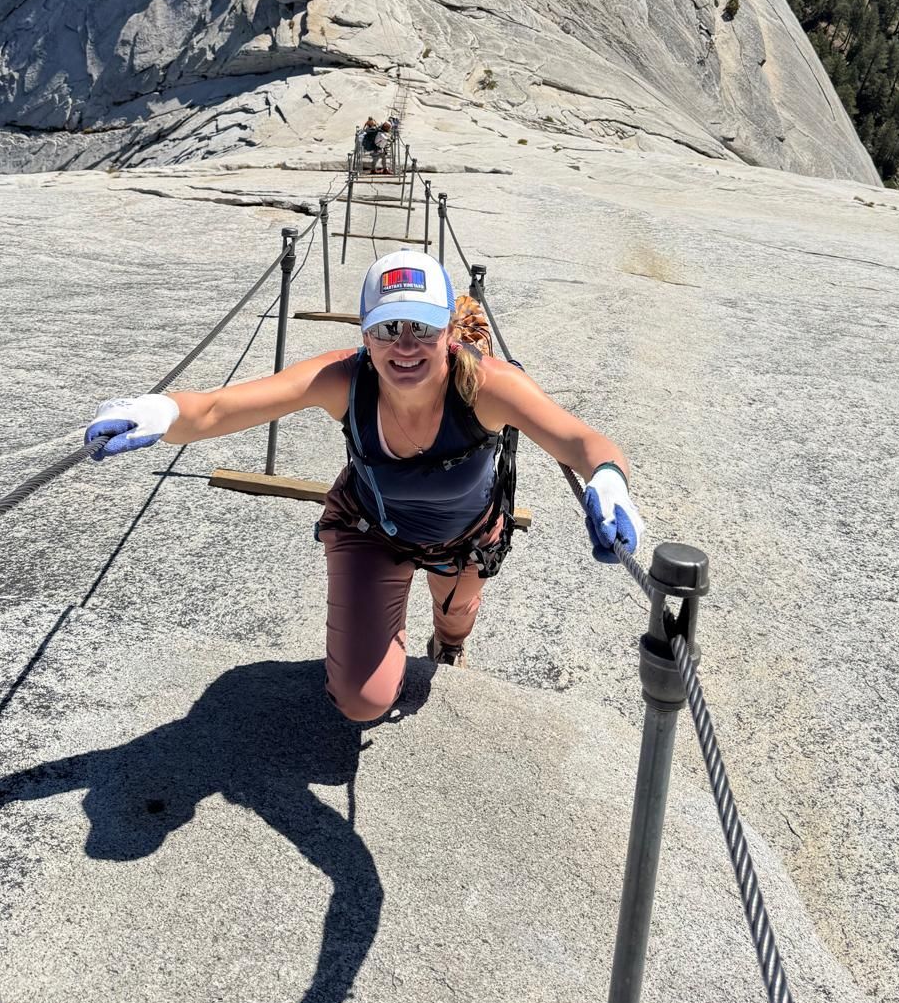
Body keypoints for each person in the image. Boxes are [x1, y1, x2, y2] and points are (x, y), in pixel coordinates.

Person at [85, 250, 642, 723]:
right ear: (365, 335)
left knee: (455, 619)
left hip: (467, 536)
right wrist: (158, 411)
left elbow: (581, 442)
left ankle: (447, 644)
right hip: (369, 529)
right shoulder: (344, 381)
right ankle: (386, 644)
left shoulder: (489, 387)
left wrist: (610, 481)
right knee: (362, 701)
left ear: (449, 332)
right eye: (387, 328)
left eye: (422, 327)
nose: (405, 346)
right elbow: (213, 411)